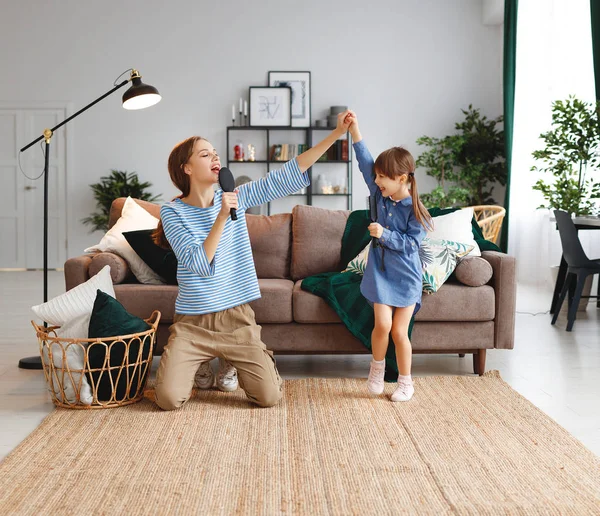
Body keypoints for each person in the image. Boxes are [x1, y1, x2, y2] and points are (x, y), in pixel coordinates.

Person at [151, 111, 352, 409]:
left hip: (236, 319)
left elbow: (284, 176)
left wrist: (336, 134)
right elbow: (198, 263)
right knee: (167, 399)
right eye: (205, 154)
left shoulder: (237, 196)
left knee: (269, 398)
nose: (215, 158)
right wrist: (221, 217)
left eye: (215, 153)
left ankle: (232, 359)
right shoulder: (172, 212)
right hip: (193, 322)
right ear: (187, 168)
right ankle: (203, 361)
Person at [347, 111, 433, 402]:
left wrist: (383, 234)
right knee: (381, 325)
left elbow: (410, 246)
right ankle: (376, 370)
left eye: (383, 177)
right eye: (377, 177)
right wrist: (354, 130)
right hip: (380, 272)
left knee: (399, 331)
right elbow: (365, 162)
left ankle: (406, 382)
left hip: (407, 277)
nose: (377, 180)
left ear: (401, 178)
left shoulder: (417, 212)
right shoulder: (379, 195)